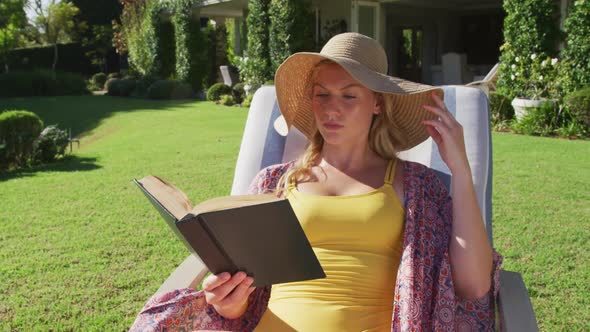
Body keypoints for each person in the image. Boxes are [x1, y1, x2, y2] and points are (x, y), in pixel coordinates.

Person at [131, 32, 501, 331]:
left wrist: (461, 170)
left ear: (377, 103)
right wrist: (230, 301)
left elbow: (473, 286)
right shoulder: (274, 182)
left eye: (349, 95)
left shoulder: (416, 185)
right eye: (321, 94)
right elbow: (245, 300)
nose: (331, 108)